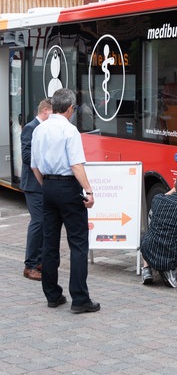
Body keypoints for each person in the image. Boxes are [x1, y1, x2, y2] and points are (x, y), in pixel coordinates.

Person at [30, 88, 100, 313]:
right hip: (68, 187)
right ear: (70, 108)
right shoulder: (70, 131)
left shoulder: (39, 130)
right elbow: (76, 165)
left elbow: (34, 165)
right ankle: (79, 299)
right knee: (78, 243)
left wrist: (47, 185)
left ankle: (52, 294)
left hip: (48, 186)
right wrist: (88, 191)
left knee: (50, 242)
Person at [140, 173, 177, 288]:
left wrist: (174, 188)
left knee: (145, 236)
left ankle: (146, 270)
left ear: (174, 185)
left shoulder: (157, 199)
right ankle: (168, 269)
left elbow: (164, 195)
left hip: (148, 250)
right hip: (171, 256)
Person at [20, 98, 52, 281]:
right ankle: (29, 265)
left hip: (44, 183)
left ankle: (39, 261)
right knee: (38, 222)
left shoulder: (44, 128)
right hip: (33, 185)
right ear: (46, 111)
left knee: (45, 223)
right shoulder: (31, 128)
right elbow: (26, 156)